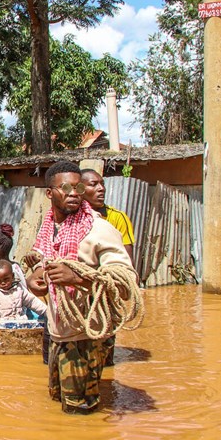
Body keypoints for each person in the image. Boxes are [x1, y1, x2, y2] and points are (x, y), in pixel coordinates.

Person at [26, 160, 136, 415]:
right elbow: (46, 261)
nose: (74, 193)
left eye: (78, 187)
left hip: (86, 336)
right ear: (50, 193)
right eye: (65, 187)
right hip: (59, 333)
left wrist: (77, 279)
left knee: (80, 412)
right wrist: (37, 278)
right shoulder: (50, 227)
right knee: (57, 402)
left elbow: (126, 283)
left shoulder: (99, 229)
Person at [79, 168, 137, 367]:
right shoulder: (69, 219)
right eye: (93, 184)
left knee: (104, 349)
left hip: (103, 290)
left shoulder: (117, 218)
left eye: (101, 183)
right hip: (78, 293)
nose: (101, 188)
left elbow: (125, 260)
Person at [0, 259, 47, 325]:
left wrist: (45, 310)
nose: (2, 283)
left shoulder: (19, 288)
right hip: (2, 323)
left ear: (12, 276)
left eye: (6, 279)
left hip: (20, 322)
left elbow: (31, 301)